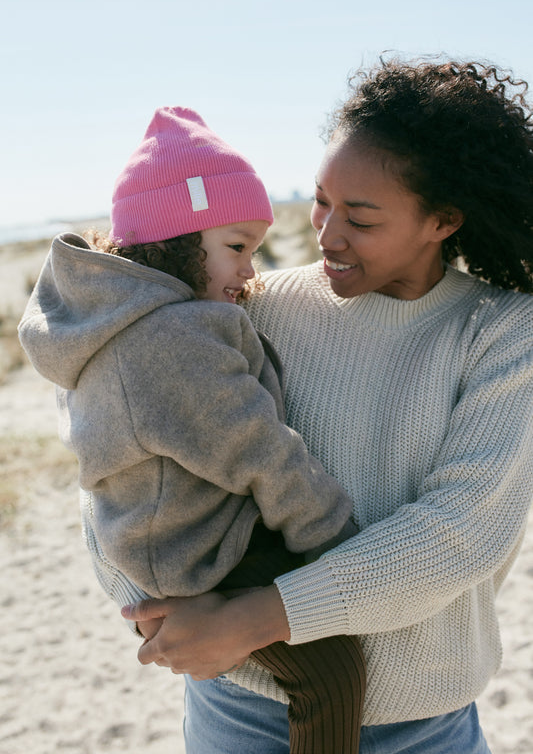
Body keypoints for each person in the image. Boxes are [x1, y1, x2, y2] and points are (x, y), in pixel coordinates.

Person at [112, 59, 533, 754]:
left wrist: (253, 618)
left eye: (360, 218)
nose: (326, 232)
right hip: (244, 705)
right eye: (318, 201)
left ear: (442, 220)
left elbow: (459, 532)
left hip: (422, 722)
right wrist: (152, 604)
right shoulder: (252, 308)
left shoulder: (502, 330)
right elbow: (126, 450)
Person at [18, 107, 367, 754]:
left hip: (152, 542)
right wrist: (334, 544)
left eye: (256, 251)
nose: (249, 272)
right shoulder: (170, 339)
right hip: (199, 555)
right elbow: (259, 452)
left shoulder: (110, 320)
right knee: (331, 668)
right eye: (235, 247)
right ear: (174, 240)